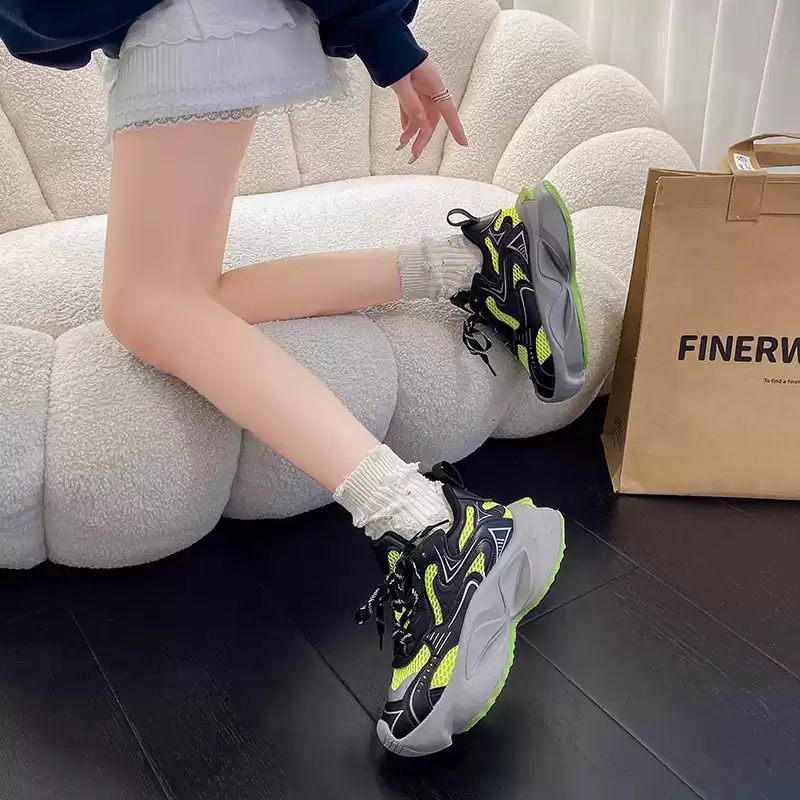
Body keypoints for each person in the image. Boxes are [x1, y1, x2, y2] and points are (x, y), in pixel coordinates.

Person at [1, 0, 589, 756]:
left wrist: (381, 30)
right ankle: (479, 265)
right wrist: (380, 33)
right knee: (183, 300)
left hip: (192, 27)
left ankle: (426, 524)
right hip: (195, 29)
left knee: (149, 306)